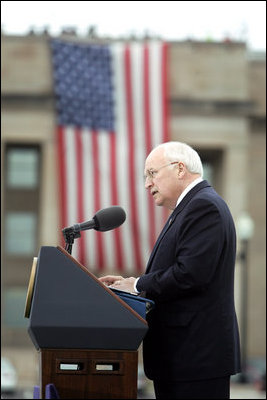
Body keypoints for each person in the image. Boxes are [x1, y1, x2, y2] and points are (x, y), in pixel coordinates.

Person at [99, 141, 241, 399]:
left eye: (152, 173)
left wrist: (136, 286)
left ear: (179, 169)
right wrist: (132, 283)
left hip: (195, 359)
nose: (146, 184)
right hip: (183, 358)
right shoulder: (189, 208)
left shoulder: (203, 207)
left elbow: (191, 275)